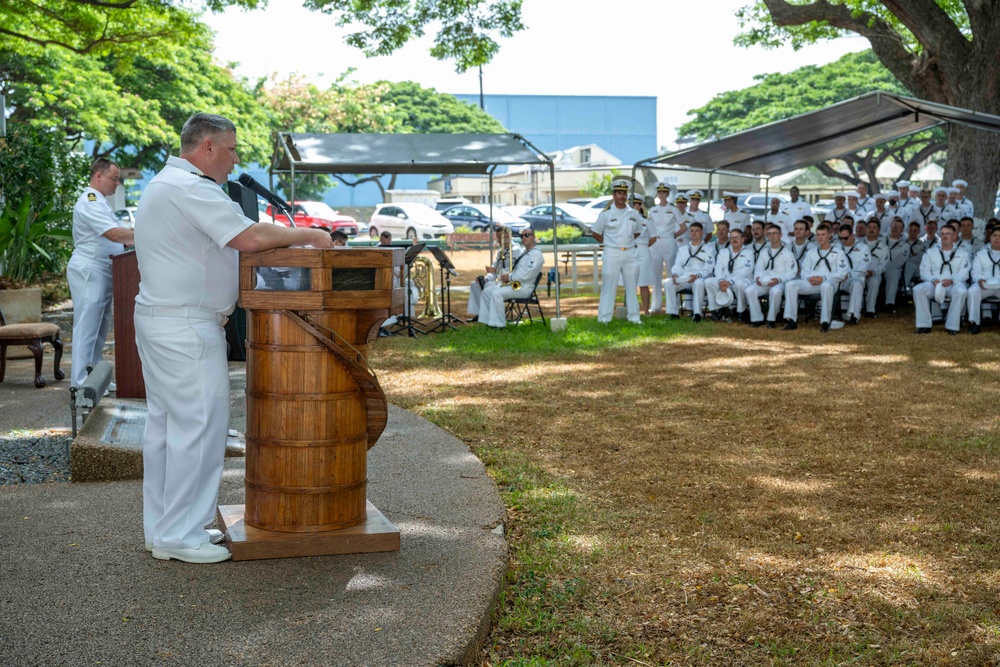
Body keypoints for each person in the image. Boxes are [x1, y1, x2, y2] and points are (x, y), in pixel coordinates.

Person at [133, 112, 335, 564]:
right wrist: (310, 235)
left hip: (165, 319)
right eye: (231, 148)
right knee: (199, 428)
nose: (235, 158)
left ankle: (164, 528)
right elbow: (249, 236)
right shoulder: (190, 187)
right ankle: (181, 534)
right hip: (185, 325)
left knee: (168, 430)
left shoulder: (167, 182)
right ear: (206, 147)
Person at [67, 158, 135, 388]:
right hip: (90, 269)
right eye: (114, 178)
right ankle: (80, 384)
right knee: (87, 328)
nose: (117, 184)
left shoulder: (101, 202)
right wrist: (148, 235)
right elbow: (114, 235)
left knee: (98, 330)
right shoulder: (90, 201)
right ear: (98, 176)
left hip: (104, 269)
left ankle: (95, 380)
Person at [592, 179, 642, 324]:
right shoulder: (606, 214)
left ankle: (634, 317)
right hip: (612, 252)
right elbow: (595, 232)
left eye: (624, 193)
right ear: (614, 195)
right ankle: (604, 318)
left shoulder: (633, 213)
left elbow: (637, 232)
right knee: (609, 286)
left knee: (631, 286)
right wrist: (609, 242)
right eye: (619, 193)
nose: (622, 196)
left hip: (630, 253)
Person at [783, 224, 847, 332]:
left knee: (826, 286)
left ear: (830, 235)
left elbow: (842, 273)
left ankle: (825, 322)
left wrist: (823, 278)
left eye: (823, 234)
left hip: (829, 283)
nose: (820, 237)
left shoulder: (838, 253)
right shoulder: (811, 252)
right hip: (812, 282)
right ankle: (791, 320)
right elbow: (804, 271)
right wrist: (809, 278)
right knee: (790, 285)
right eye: (818, 235)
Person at [478, 229, 544, 328]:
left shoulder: (535, 254)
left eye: (527, 235)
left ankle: (499, 325)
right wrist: (507, 277)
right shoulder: (526, 252)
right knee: (486, 291)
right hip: (516, 284)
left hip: (524, 287)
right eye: (522, 236)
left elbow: (527, 275)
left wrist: (510, 277)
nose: (524, 238)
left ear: (533, 236)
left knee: (497, 293)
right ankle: (488, 321)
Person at [913, 224, 970, 335]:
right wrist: (933, 280)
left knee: (962, 291)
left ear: (954, 236)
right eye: (942, 234)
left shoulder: (963, 253)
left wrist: (952, 280)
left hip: (954, 283)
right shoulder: (931, 252)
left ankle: (952, 326)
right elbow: (924, 271)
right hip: (935, 283)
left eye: (948, 234)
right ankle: (924, 325)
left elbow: (964, 273)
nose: (945, 236)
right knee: (918, 289)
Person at [745, 224, 797, 328]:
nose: (772, 236)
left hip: (780, 282)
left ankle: (771, 319)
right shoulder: (764, 252)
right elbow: (758, 269)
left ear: (780, 235)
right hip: (765, 281)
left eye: (775, 233)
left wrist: (779, 280)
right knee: (749, 290)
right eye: (770, 233)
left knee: (775, 291)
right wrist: (758, 278)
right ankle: (757, 318)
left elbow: (792, 272)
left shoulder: (787, 253)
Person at [467, 225, 518, 323]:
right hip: (498, 278)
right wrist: (486, 278)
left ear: (508, 237)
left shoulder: (516, 250)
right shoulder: (501, 251)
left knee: (488, 288)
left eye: (502, 237)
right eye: (498, 237)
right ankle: (479, 314)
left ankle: (489, 317)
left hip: (509, 281)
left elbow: (514, 271)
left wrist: (496, 271)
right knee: (476, 284)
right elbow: (495, 267)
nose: (499, 239)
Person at [666, 221, 716, 322]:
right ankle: (673, 313)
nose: (694, 233)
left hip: (700, 277)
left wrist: (698, 275)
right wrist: (675, 274)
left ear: (702, 233)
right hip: (685, 277)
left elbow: (708, 267)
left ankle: (697, 314)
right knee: (669, 282)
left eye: (697, 231)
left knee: (698, 283)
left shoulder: (709, 249)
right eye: (692, 231)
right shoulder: (683, 249)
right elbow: (678, 265)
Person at [704, 228, 753, 321]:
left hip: (741, 280)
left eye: (737, 237)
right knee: (708, 281)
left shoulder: (749, 252)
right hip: (724, 280)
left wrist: (730, 281)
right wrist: (721, 280)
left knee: (740, 284)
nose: (734, 239)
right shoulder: (724, 252)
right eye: (732, 237)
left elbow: (747, 270)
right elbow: (718, 268)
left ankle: (741, 311)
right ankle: (717, 309)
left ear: (743, 239)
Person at [648, 182, 680, 314]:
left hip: (668, 241)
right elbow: (650, 226)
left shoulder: (673, 209)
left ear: (668, 194)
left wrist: (672, 235)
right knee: (656, 275)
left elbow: (683, 226)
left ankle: (673, 306)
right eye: (660, 192)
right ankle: (656, 306)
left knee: (672, 274)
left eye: (664, 193)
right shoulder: (652, 210)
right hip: (656, 243)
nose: (662, 195)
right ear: (657, 194)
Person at [967, 227, 1000, 334]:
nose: (997, 238)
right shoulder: (981, 254)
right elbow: (975, 271)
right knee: (973, 291)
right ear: (990, 237)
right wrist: (979, 280)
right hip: (985, 285)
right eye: (995, 235)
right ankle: (974, 323)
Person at [839, 223, 871, 325]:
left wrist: (848, 275)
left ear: (852, 235)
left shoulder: (863, 248)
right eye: (841, 238)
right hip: (838, 279)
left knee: (856, 284)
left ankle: (853, 315)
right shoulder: (836, 247)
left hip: (853, 279)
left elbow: (863, 267)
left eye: (845, 238)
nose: (843, 241)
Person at [631, 194, 657, 316]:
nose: (635, 206)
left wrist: (644, 246)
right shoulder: (625, 220)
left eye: (637, 204)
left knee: (644, 283)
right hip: (630, 251)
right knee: (629, 282)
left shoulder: (646, 222)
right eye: (632, 204)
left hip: (643, 250)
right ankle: (632, 311)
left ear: (640, 205)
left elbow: (653, 238)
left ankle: (646, 311)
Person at [882, 217, 910, 314]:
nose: (895, 228)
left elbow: (899, 263)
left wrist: (884, 267)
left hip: (893, 270)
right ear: (890, 226)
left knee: (892, 272)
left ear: (902, 230)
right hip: (878, 269)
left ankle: (889, 303)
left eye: (898, 227)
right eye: (893, 226)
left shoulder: (905, 246)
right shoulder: (881, 240)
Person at [860, 219, 888, 318]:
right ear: (866, 229)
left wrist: (872, 272)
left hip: (874, 273)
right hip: (860, 272)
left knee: (874, 281)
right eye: (869, 227)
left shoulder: (883, 247)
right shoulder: (859, 244)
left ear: (879, 230)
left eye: (874, 227)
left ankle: (870, 310)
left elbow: (884, 265)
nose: (871, 229)